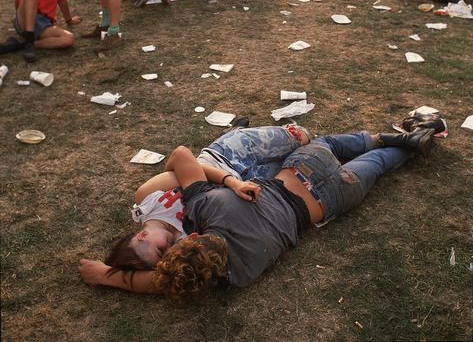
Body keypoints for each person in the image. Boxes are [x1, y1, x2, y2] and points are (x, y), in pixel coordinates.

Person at [79, 119, 440, 298]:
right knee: (326, 143)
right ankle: (395, 135)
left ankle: (404, 146)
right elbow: (184, 158)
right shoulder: (208, 206)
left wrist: (107, 278)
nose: (172, 247)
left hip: (329, 202)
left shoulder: (236, 276)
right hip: (302, 169)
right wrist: (101, 274)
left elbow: (164, 282)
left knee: (376, 166)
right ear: (198, 234)